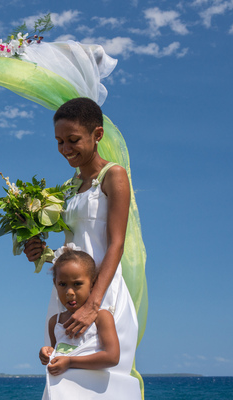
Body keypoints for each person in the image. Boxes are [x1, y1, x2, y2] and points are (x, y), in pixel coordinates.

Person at [24, 97, 141, 395]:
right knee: (63, 384)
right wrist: (39, 252)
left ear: (97, 135)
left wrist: (93, 305)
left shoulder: (113, 176)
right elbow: (71, 246)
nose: (65, 149)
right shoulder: (67, 188)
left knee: (105, 384)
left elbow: (116, 243)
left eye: (73, 140)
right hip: (67, 294)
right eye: (59, 141)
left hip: (103, 293)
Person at [39, 246, 140, 399]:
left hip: (92, 392)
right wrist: (47, 353)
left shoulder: (102, 317)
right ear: (55, 283)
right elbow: (57, 354)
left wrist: (70, 362)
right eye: (62, 284)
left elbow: (112, 357)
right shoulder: (55, 322)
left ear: (92, 283)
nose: (70, 292)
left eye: (77, 284)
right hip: (64, 392)